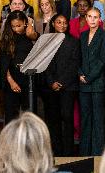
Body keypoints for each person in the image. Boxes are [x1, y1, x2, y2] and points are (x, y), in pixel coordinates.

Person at [44, 13, 81, 156]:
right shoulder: (47, 41)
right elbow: (44, 64)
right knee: (54, 119)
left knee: (67, 118)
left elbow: (75, 64)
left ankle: (68, 152)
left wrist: (62, 82)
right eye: (59, 22)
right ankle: (56, 152)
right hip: (51, 87)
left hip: (68, 87)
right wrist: (51, 82)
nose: (62, 25)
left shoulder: (74, 41)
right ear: (53, 24)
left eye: (65, 22)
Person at [79, 7, 105, 156]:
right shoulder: (82, 35)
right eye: (90, 17)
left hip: (98, 83)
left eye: (95, 17)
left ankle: (98, 154)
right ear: (86, 18)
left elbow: (102, 60)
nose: (92, 20)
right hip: (83, 84)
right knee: (85, 119)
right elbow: (78, 57)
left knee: (98, 120)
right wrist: (80, 74)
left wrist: (89, 77)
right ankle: (85, 154)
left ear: (100, 19)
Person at [0, 10, 38, 124]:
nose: (16, 29)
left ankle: (29, 141)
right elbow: (4, 63)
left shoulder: (31, 36)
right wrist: (11, 81)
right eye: (13, 26)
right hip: (12, 79)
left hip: (29, 80)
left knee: (29, 115)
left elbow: (37, 42)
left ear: (25, 22)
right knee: (11, 116)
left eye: (18, 26)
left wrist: (30, 27)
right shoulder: (7, 38)